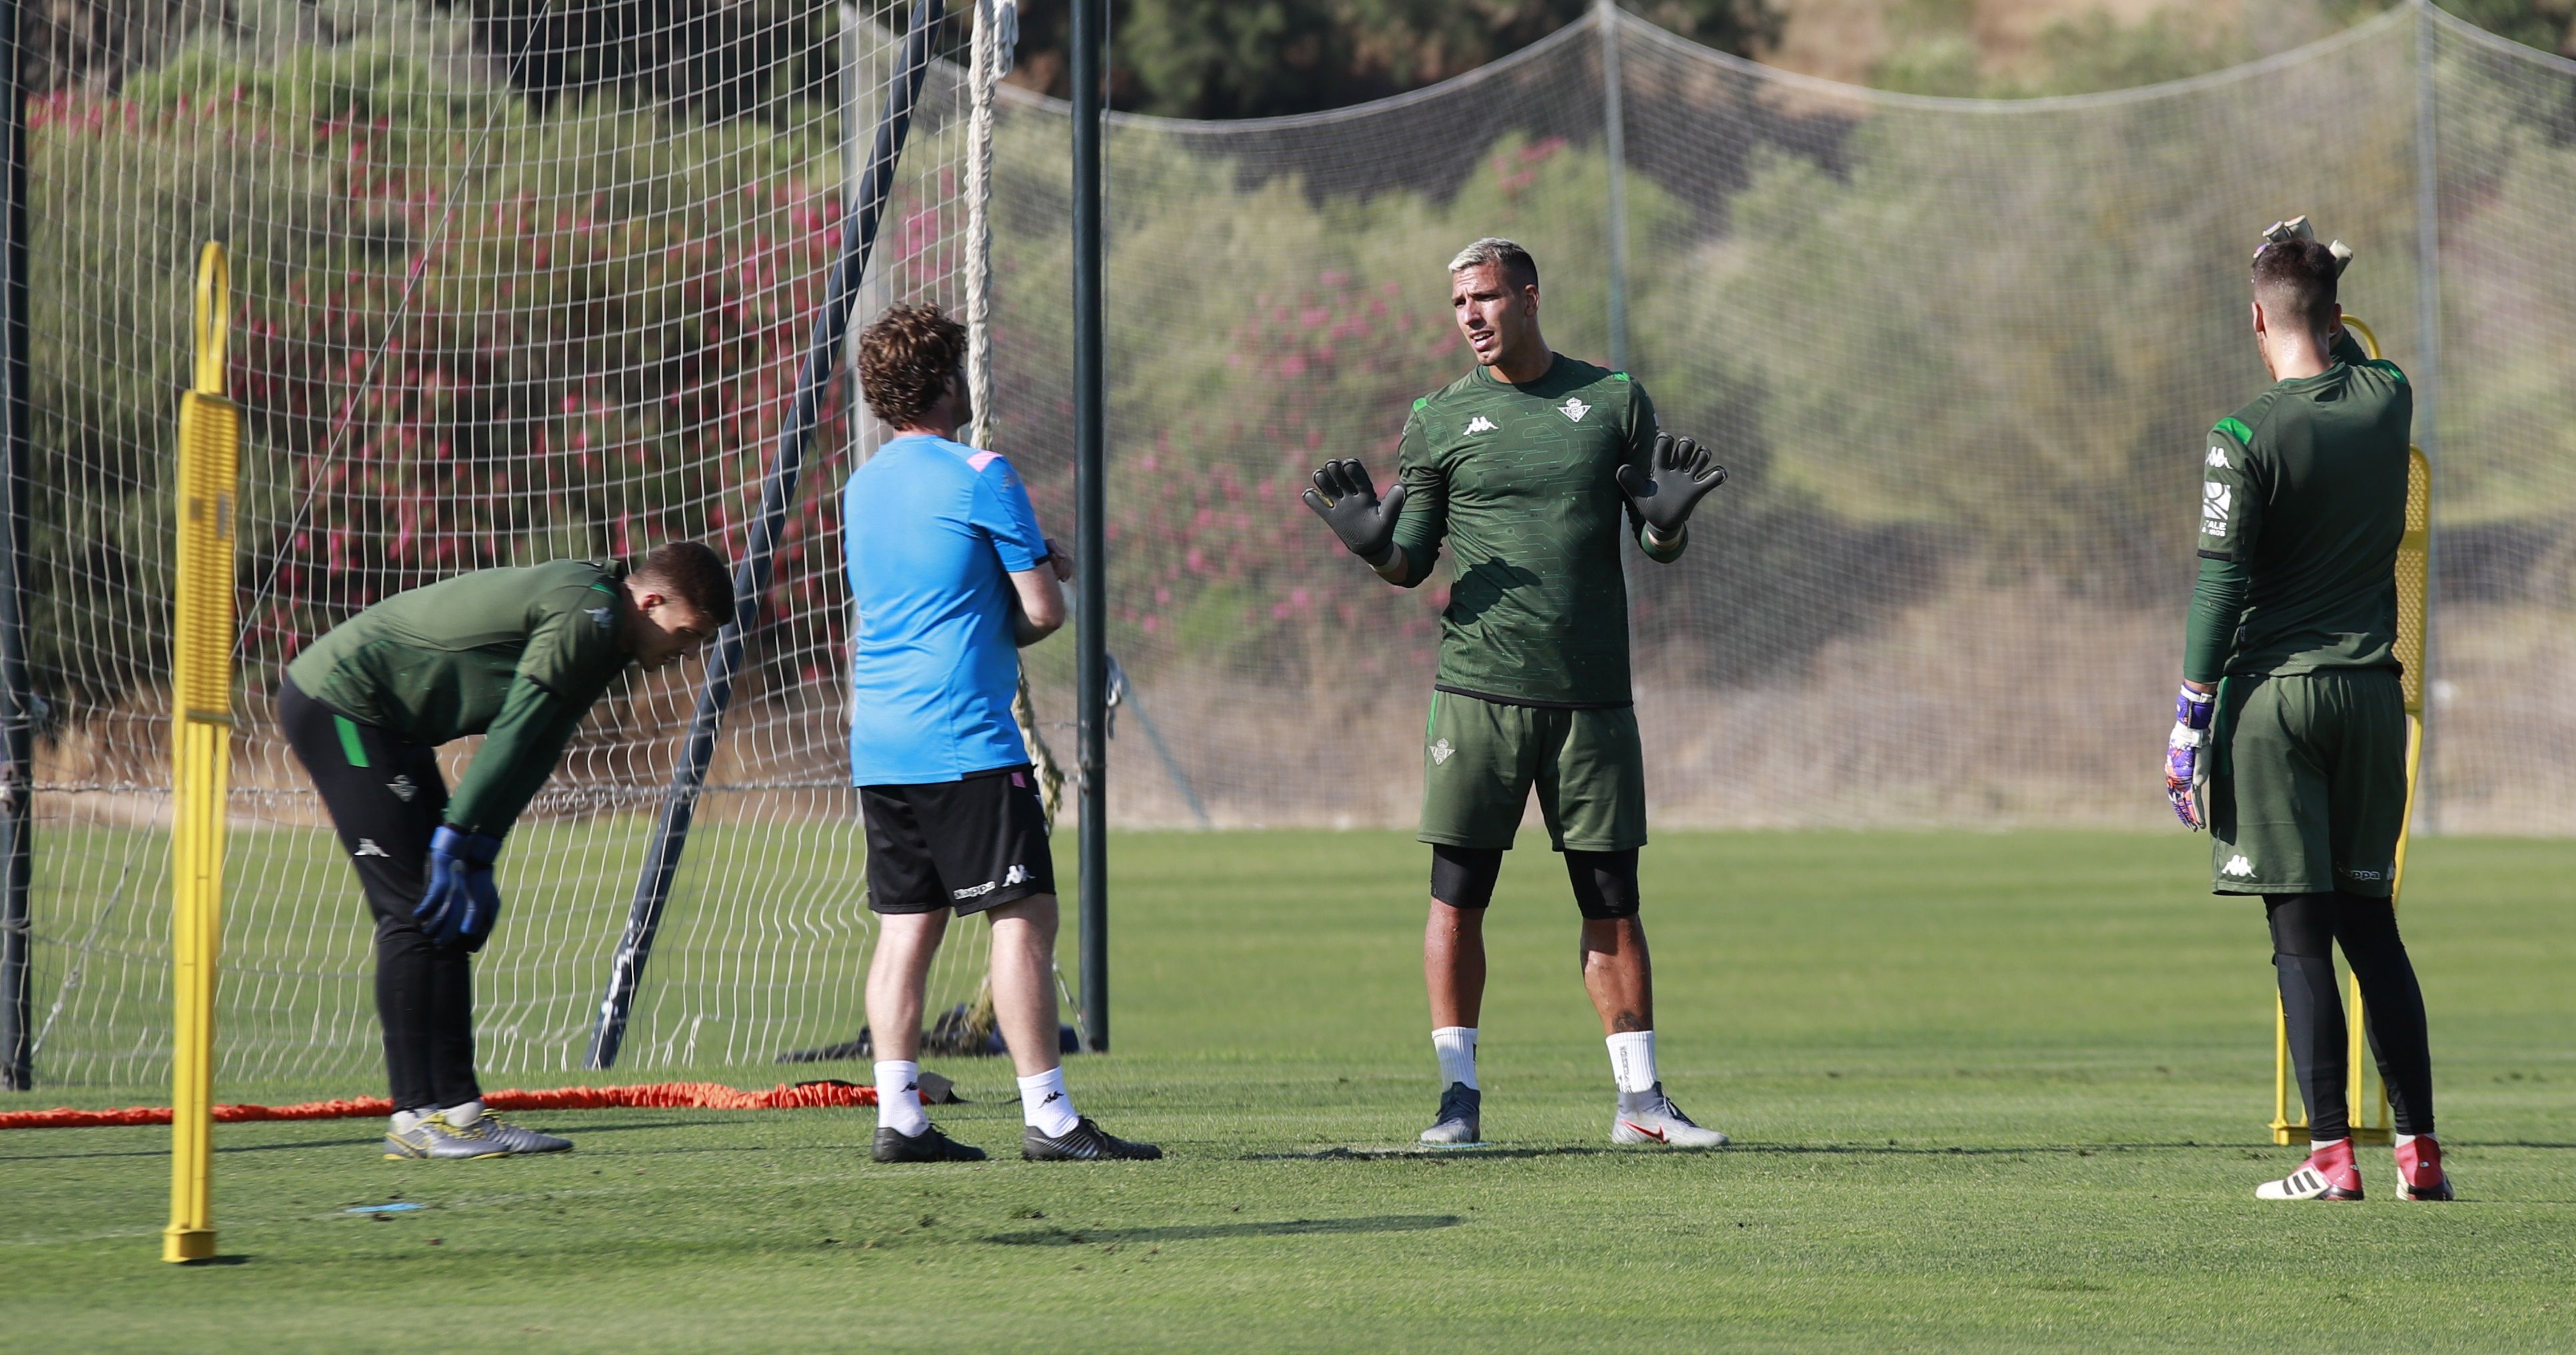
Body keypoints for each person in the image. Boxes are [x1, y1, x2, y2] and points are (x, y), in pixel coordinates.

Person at [1302, 238, 1730, 1148]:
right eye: (1459, 302)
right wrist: (1368, 541)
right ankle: (1457, 1101)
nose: (1471, 317)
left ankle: (1642, 1104)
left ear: (1529, 297)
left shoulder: (1614, 401)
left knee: (1612, 899)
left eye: (1486, 297)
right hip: (1478, 694)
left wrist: (1665, 531)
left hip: (1591, 700)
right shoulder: (1439, 417)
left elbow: (1657, 539)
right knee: (1457, 895)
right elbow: (1409, 561)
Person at [280, 541, 732, 1159]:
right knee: (413, 910)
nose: (687, 652)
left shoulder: (605, 634)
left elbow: (538, 745)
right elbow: (518, 725)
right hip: (343, 703)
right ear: (651, 602)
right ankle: (416, 1119)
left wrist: (478, 847)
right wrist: (460, 834)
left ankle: (460, 1115)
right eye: (687, 634)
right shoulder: (590, 614)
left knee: (445, 919)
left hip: (390, 723)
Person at [2166, 218, 2449, 1202]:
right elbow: (2363, 358)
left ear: (2254, 317)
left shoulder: (2241, 434)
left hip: (2276, 704)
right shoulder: (2387, 399)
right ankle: (2421, 1154)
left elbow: (2219, 587)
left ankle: (2331, 1157)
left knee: (2300, 939)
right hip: (2373, 695)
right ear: (2335, 315)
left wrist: (2188, 718)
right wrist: (2328, 277)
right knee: (2375, 932)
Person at [844, 303, 1158, 1164]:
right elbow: (1041, 614)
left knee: (906, 927)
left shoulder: (861, 485)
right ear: (948, 379)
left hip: (879, 740)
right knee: (1024, 916)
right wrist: (1033, 574)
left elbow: (922, 593)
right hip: (965, 740)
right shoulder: (984, 472)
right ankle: (1051, 1117)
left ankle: (899, 1116)